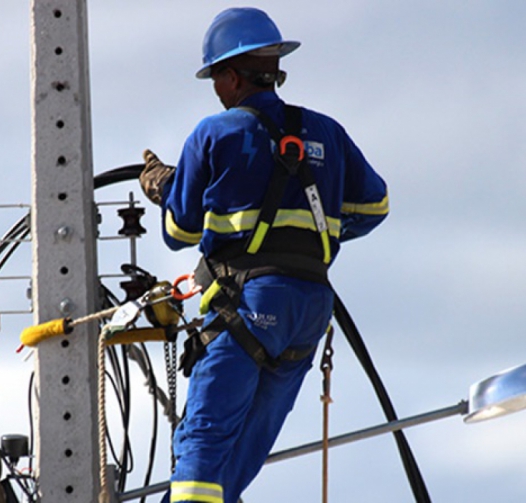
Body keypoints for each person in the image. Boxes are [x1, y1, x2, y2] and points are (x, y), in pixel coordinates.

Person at [139, 7, 389, 503]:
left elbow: (178, 231)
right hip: (308, 310)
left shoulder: (215, 133)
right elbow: (375, 206)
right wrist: (309, 236)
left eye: (215, 77)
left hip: (246, 306)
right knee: (238, 461)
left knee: (203, 449)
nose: (215, 88)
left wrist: (166, 186)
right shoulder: (327, 133)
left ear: (231, 76)